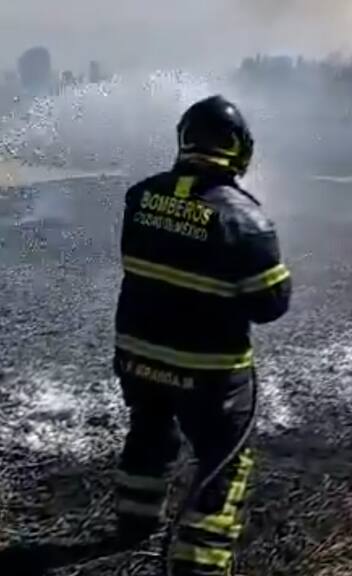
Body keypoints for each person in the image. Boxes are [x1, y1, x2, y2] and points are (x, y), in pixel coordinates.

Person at [112, 95, 291, 575]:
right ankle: (199, 564)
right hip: (208, 371)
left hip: (138, 358)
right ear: (238, 149)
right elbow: (270, 306)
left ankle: (133, 521)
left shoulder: (141, 196)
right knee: (224, 462)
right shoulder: (247, 220)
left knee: (150, 430)